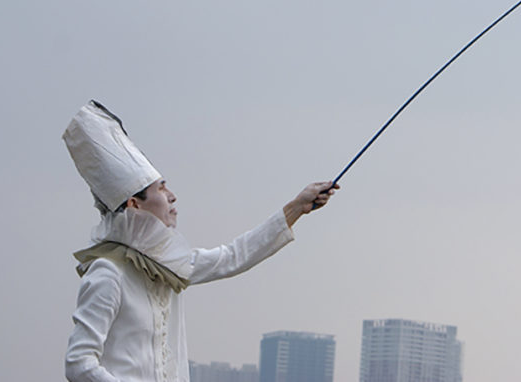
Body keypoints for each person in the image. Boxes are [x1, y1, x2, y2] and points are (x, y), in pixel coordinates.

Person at [62, 100, 336, 382]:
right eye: (161, 187)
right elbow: (78, 363)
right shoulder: (108, 272)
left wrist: (296, 208)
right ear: (134, 204)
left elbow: (234, 256)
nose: (172, 196)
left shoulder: (170, 264)